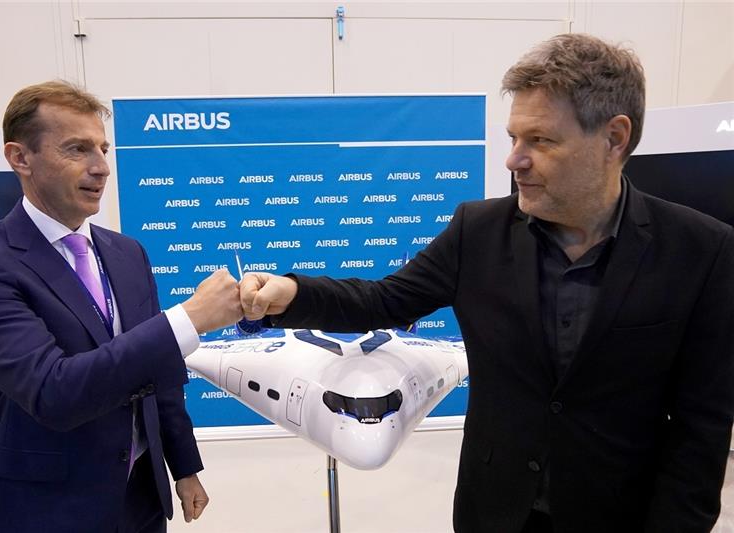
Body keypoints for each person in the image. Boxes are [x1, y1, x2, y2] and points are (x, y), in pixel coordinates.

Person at [240, 33, 734, 533]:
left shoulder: (702, 251)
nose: (514, 159)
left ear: (614, 138)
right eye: (513, 138)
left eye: (540, 140)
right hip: (495, 512)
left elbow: (702, 428)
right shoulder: (476, 232)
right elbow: (382, 300)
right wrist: (293, 293)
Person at [0, 80, 243, 533]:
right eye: (77, 149)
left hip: (140, 497)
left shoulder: (127, 253)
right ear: (20, 158)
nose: (101, 168)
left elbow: (160, 373)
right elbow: (53, 392)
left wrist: (183, 466)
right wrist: (190, 317)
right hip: (47, 508)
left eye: (103, 149)